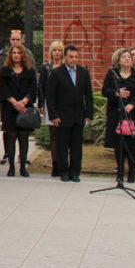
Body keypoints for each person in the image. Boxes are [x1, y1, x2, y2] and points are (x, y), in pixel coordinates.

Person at [46, 45, 93, 182]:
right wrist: (53, 115)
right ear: (65, 57)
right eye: (71, 57)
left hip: (79, 116)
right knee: (62, 145)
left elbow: (88, 95)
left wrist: (89, 115)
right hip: (62, 116)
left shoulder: (83, 72)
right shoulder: (56, 73)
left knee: (76, 146)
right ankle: (64, 171)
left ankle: (75, 172)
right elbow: (51, 96)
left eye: (76, 57)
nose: (73, 59)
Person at [101, 48, 135, 184]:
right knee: (118, 144)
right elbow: (105, 90)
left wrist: (132, 105)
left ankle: (131, 171)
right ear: (118, 60)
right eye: (124, 57)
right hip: (117, 113)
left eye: (129, 57)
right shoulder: (112, 74)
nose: (127, 59)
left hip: (133, 114)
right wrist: (117, 93)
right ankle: (120, 171)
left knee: (132, 143)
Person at [0, 44, 37, 177]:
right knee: (10, 137)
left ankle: (22, 167)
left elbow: (33, 90)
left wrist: (24, 102)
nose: (16, 55)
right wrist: (15, 103)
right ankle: (11, 166)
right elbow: (3, 90)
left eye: (18, 53)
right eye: (14, 53)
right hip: (10, 108)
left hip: (24, 109)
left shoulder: (30, 71)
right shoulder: (5, 71)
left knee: (23, 137)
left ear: (23, 55)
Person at [38, 41, 65, 177]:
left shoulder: (66, 67)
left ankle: (63, 163)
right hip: (50, 104)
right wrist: (41, 104)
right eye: (55, 50)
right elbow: (41, 86)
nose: (57, 53)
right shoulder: (46, 67)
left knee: (63, 135)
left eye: (59, 50)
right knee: (54, 136)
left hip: (63, 105)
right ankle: (55, 165)